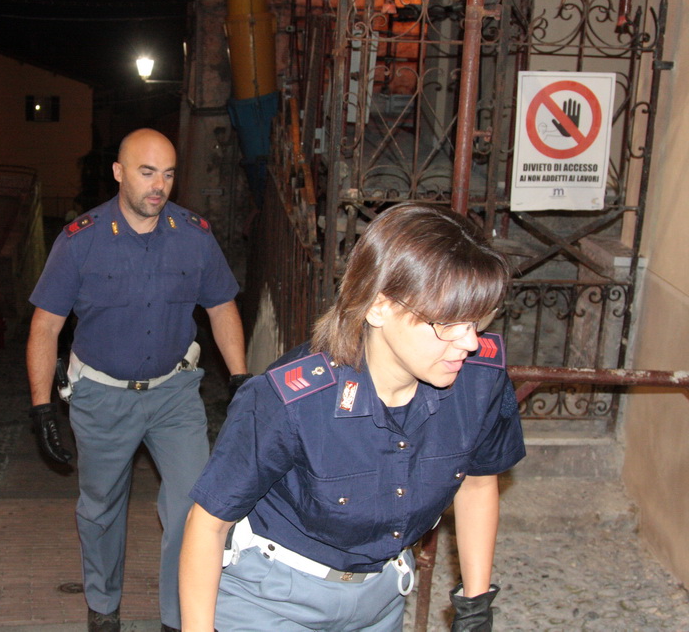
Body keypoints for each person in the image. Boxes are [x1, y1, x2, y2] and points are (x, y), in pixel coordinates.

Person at [179, 203, 526, 632]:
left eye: (478, 320)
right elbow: (207, 524)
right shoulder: (293, 399)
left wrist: (475, 604)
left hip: (380, 600)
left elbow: (475, 483)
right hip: (272, 601)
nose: (469, 342)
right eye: (447, 323)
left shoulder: (479, 382)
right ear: (379, 307)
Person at [27, 128, 251, 632]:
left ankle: (180, 615)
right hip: (101, 395)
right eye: (147, 173)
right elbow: (45, 326)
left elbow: (222, 307)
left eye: (168, 174)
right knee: (101, 508)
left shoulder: (194, 235)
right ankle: (103, 605)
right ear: (119, 172)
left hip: (175, 392)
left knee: (195, 505)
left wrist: (239, 377)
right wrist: (42, 407)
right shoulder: (80, 241)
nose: (159, 186)